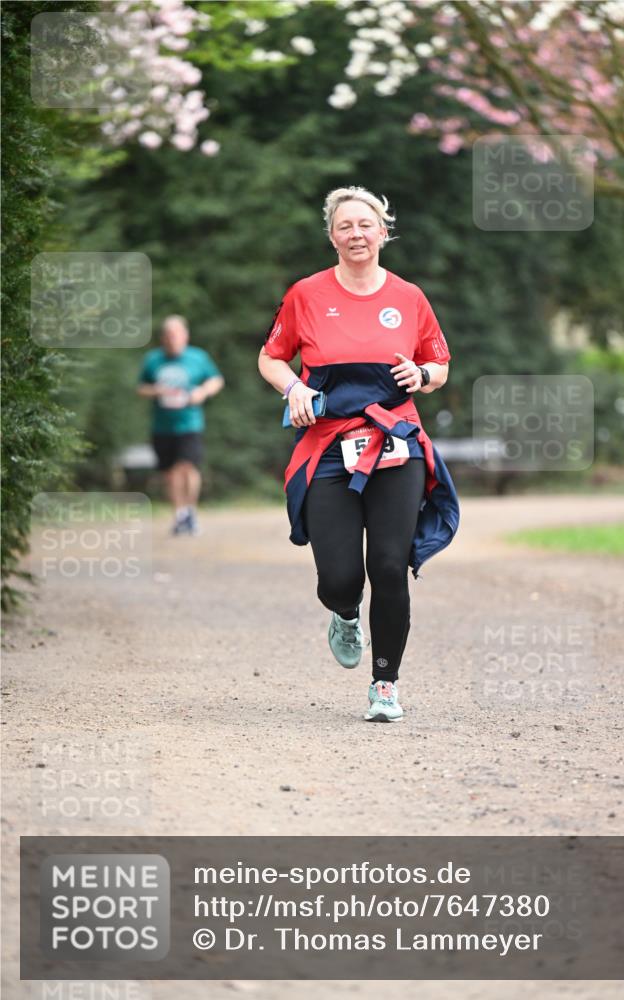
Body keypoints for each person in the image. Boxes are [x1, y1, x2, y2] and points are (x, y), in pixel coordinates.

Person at [258, 186, 459, 722]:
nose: (356, 234)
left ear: (384, 232)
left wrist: (422, 375)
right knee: (340, 577)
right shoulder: (305, 294)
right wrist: (293, 390)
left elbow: (439, 363)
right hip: (327, 444)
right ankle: (345, 611)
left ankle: (385, 685)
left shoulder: (409, 297)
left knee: (390, 566)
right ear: (332, 236)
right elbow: (272, 356)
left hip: (397, 442)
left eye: (366, 225)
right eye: (345, 226)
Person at [137, 315, 224, 535]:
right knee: (169, 472)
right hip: (162, 425)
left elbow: (216, 380)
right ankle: (179, 514)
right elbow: (141, 387)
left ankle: (190, 512)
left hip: (190, 423)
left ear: (185, 336)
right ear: (162, 338)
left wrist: (202, 392)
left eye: (176, 335)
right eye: (168, 335)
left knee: (187, 466)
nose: (172, 339)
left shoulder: (198, 357)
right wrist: (156, 391)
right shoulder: (152, 359)